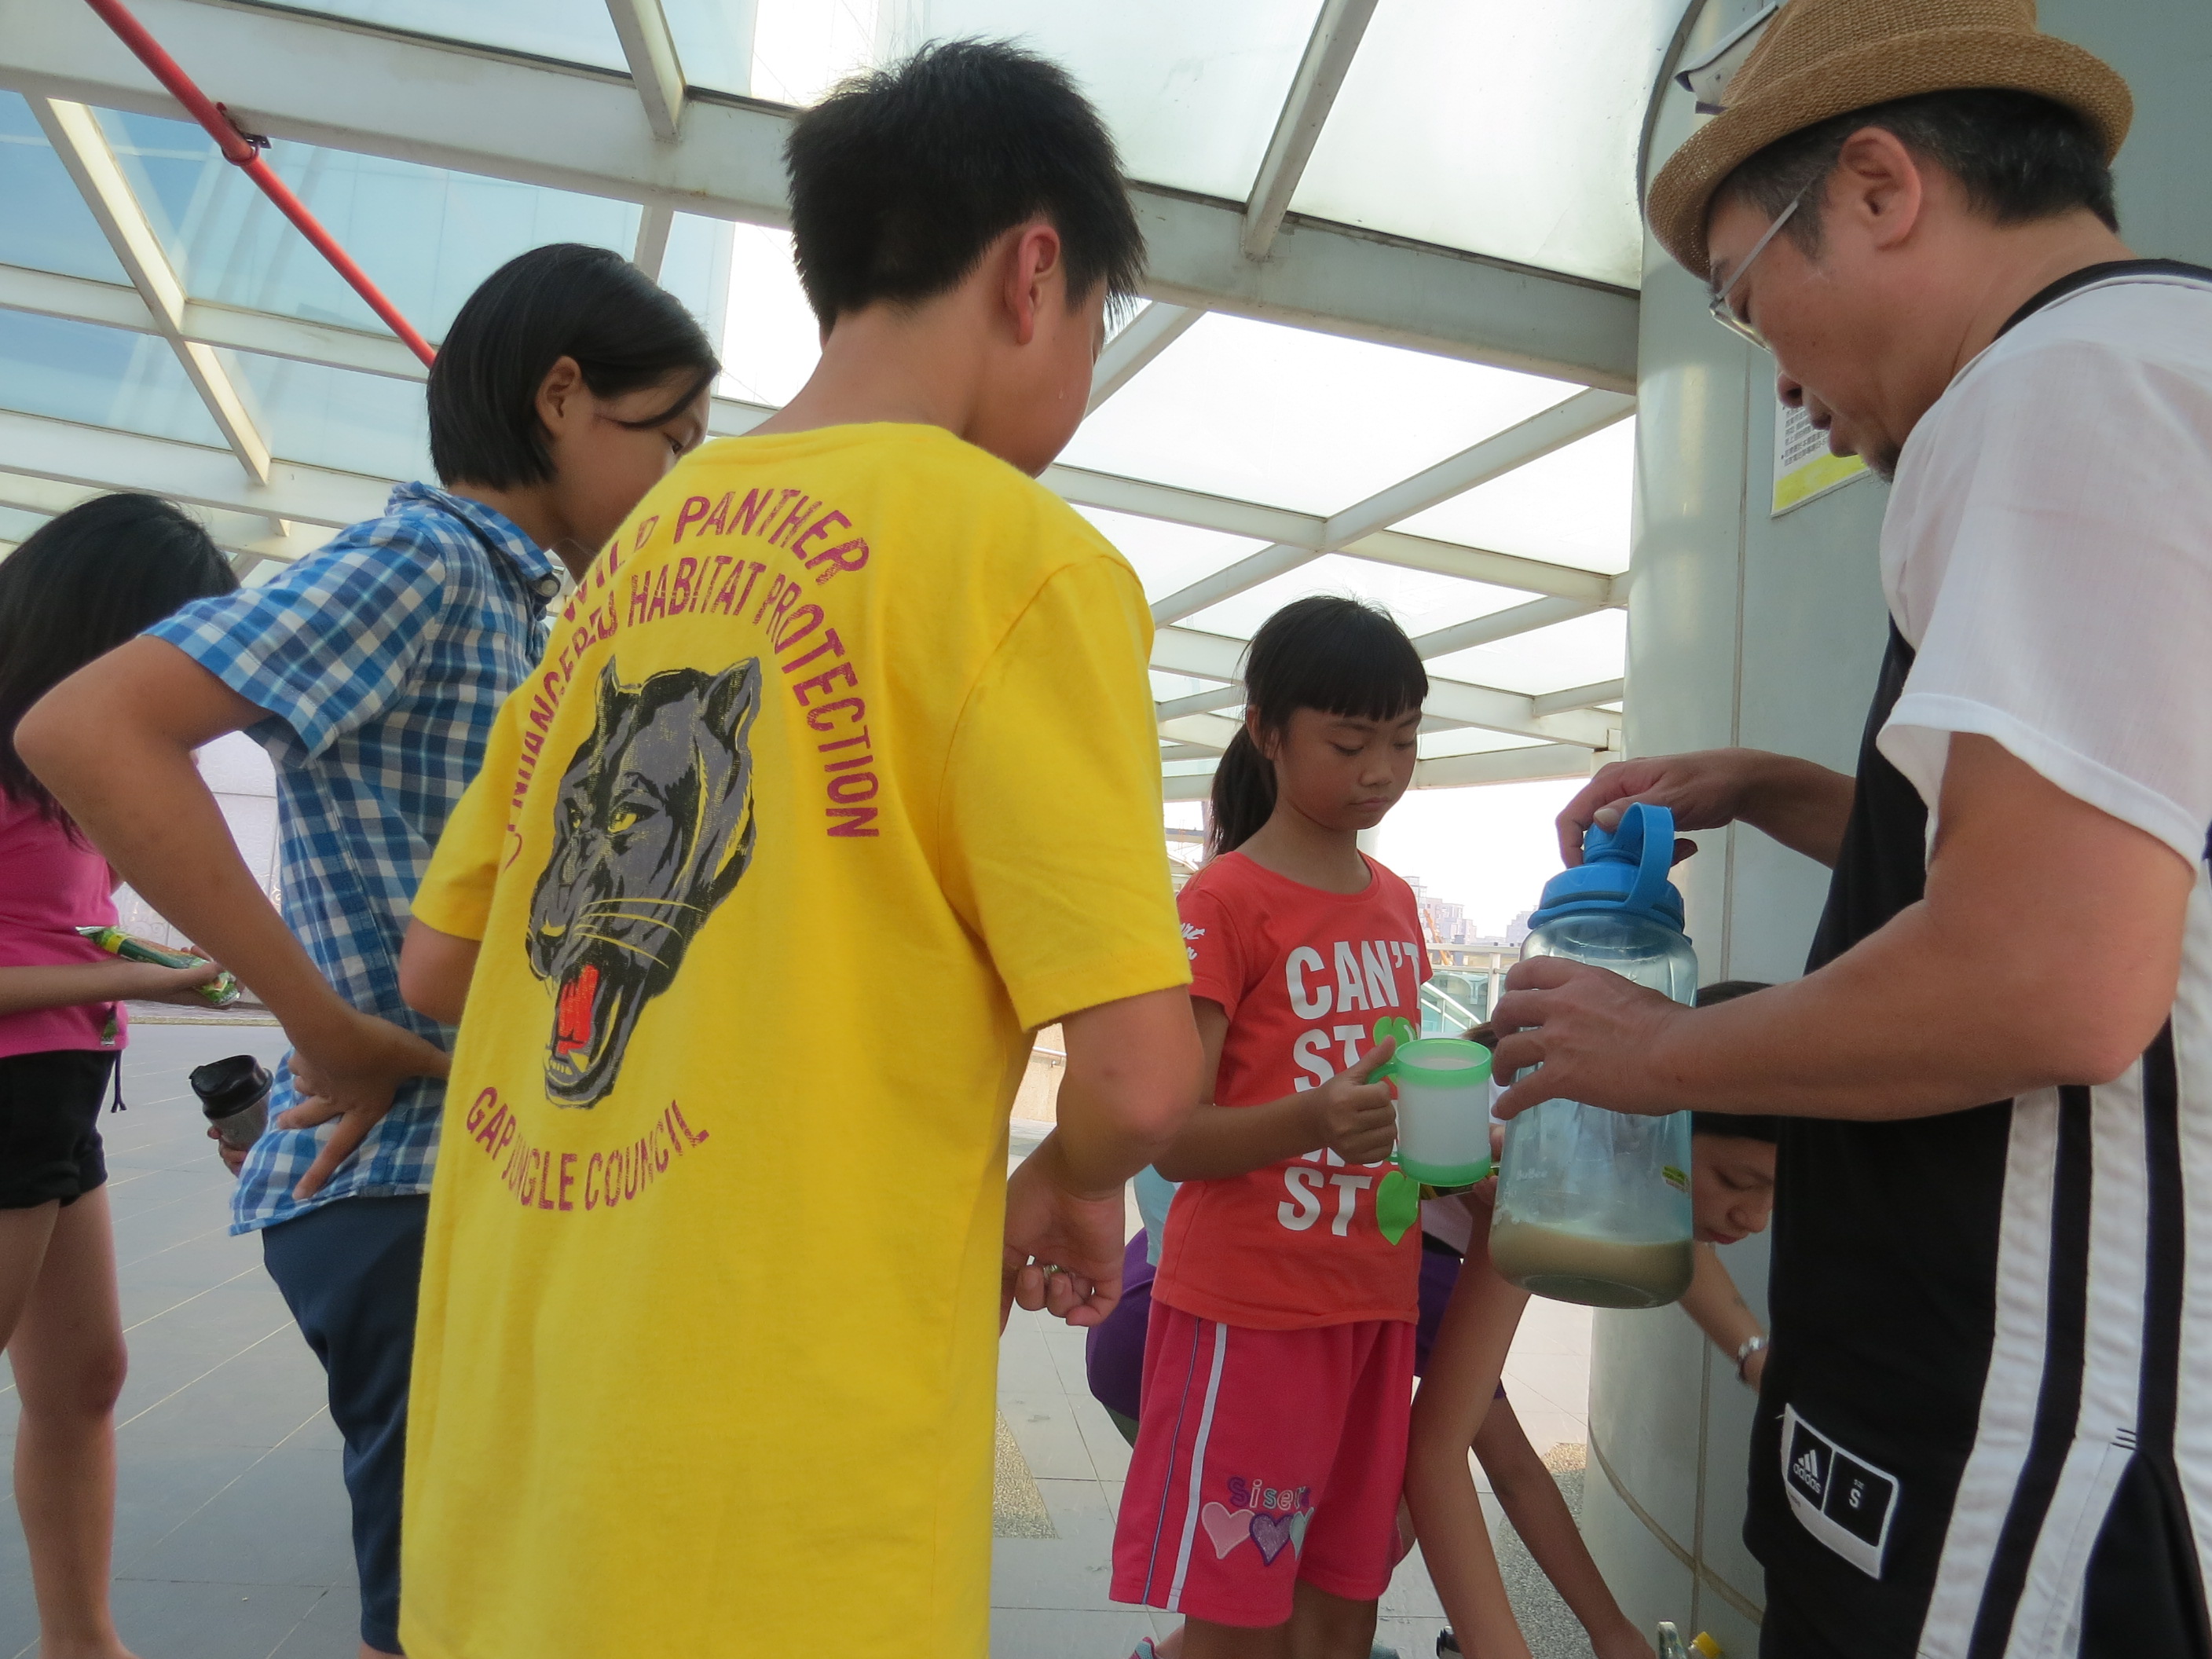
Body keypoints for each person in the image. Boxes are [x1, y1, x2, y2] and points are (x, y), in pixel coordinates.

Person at [386, 42, 1199, 1657]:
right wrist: (1069, 1181)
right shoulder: (1019, 559)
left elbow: (439, 962)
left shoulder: (625, 568)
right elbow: (1139, 1077)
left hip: (513, 1462)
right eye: (1100, 317)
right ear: (1035, 272)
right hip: (776, 1508)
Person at [1489, 4, 2212, 1654]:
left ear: (1880, 188)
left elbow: (2048, 974)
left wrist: (1659, 1053)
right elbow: (2100, 877)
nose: (1786, 384)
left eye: (1752, 303)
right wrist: (1768, 785)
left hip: (2031, 1454)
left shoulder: (2061, 392)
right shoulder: (2153, 365)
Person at [18, 245, 720, 1658]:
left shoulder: (526, 604)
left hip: (461, 1169)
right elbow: (88, 727)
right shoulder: (429, 562)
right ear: (562, 398)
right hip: (403, 1182)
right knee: (446, 1616)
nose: (679, 483)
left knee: (487, 1595)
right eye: (671, 439)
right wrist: (319, 1023)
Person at [1110, 595, 1430, 1659]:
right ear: (1266, 731)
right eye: (1349, 743)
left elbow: (1389, 1090)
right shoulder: (1223, 903)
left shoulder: (1395, 902)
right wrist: (1313, 1118)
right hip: (1252, 1315)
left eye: (1403, 740)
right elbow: (1171, 1134)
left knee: (1343, 1607)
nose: (1380, 770)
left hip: (1371, 1304)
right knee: (1240, 1621)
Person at [0, 495, 236, 1659]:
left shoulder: (62, 761)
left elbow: (47, 925)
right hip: (10, 1095)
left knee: (86, 1379)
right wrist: (134, 978)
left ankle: (81, 1643)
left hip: (61, 1098)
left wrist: (137, 957)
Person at [1408, 1011, 1781, 1659]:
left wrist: (1756, 1356)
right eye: (1737, 1182)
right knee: (1374, 1534)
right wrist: (1608, 1631)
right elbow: (1479, 1464)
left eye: (1779, 1194)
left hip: (1415, 1255)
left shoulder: (1612, 1126)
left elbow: (1684, 1252)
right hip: (1379, 1263)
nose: (1755, 1218)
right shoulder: (1548, 1159)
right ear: (1657, 1128)